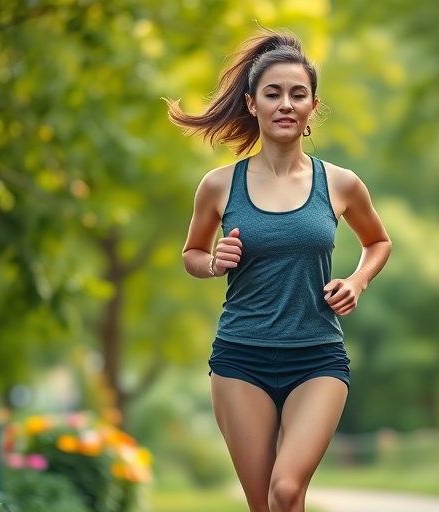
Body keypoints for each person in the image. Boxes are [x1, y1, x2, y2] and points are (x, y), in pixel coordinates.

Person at [167, 28, 392, 512]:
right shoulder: (218, 185)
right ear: (252, 104)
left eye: (298, 94)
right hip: (240, 358)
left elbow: (378, 241)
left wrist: (357, 280)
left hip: (317, 357)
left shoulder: (341, 184)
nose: (285, 104)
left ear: (313, 106)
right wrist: (214, 263)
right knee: (265, 505)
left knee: (286, 490)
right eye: (273, 94)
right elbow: (192, 254)